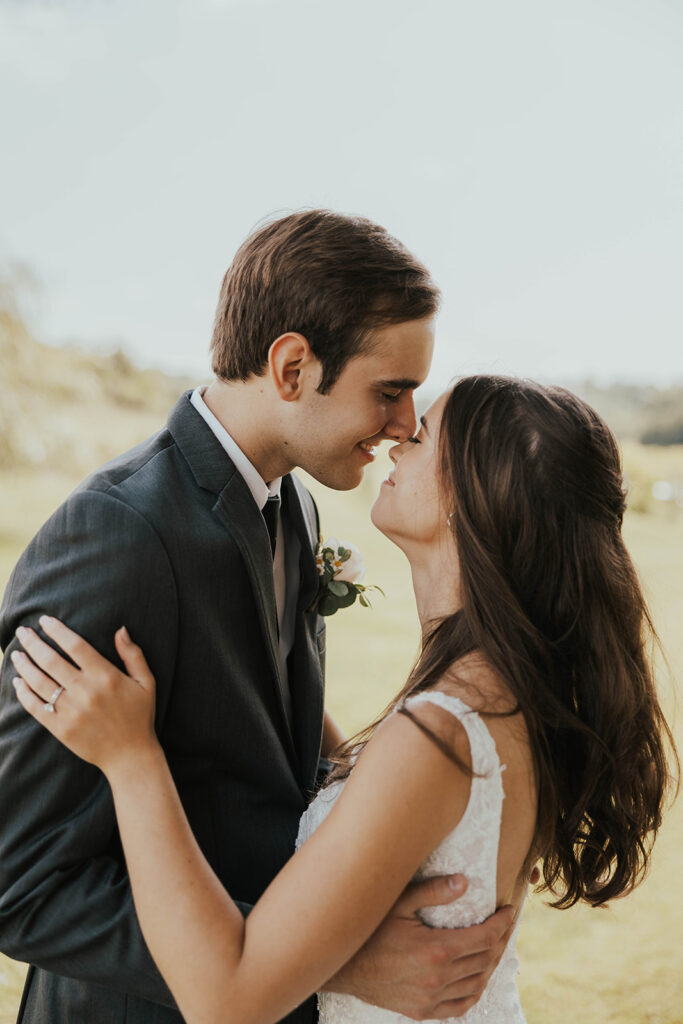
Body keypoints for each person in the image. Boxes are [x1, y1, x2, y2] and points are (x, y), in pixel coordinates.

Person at [10, 376, 677, 1024]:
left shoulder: (437, 737)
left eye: (419, 438)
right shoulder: (511, 692)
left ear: (472, 500)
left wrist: (132, 759)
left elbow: (229, 1002)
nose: (395, 441)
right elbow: (370, 794)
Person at [0, 211, 515, 1024]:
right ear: (290, 366)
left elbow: (267, 746)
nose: (406, 423)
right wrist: (315, 965)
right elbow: (18, 879)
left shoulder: (296, 511)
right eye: (388, 390)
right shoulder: (118, 535)